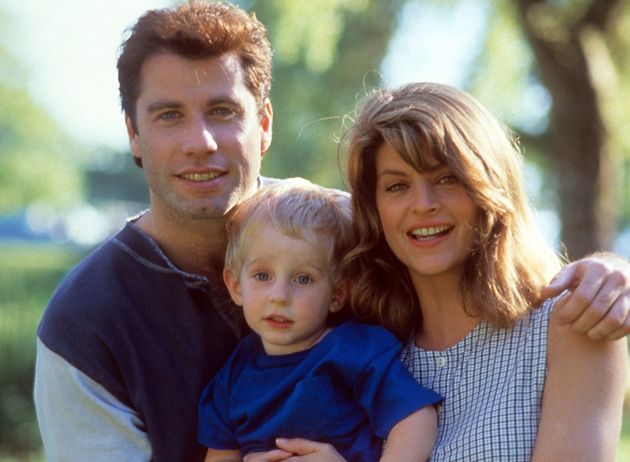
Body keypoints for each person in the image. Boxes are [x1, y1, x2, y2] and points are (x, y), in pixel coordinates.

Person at [32, 2, 630, 461]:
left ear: (262, 124)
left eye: (222, 111)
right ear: (133, 135)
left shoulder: (346, 233)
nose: (201, 143)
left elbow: (483, 250)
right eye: (168, 115)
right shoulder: (84, 325)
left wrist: (610, 266)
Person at [340, 82, 627, 461]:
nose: (422, 204)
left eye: (447, 178)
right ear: (374, 209)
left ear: (488, 186)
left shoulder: (573, 323)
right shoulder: (360, 352)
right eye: (397, 186)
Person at [198, 178, 441, 462]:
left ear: (337, 294)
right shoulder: (233, 375)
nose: (279, 296)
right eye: (262, 276)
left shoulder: (352, 350)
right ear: (236, 285)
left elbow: (416, 420)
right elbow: (220, 454)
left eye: (303, 279)